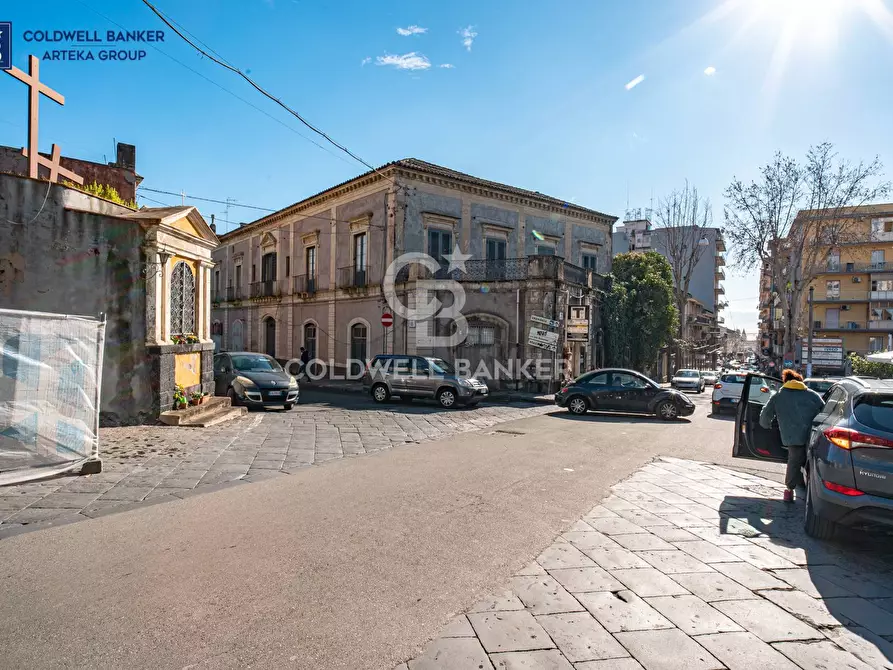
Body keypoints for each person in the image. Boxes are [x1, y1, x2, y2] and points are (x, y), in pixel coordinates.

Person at [759, 369, 824, 503]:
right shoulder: (813, 395)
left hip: (792, 437)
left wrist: (767, 426)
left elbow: (765, 417)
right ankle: (814, 492)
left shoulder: (778, 396)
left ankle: (789, 490)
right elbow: (825, 412)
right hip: (813, 436)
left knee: (793, 461)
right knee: (812, 461)